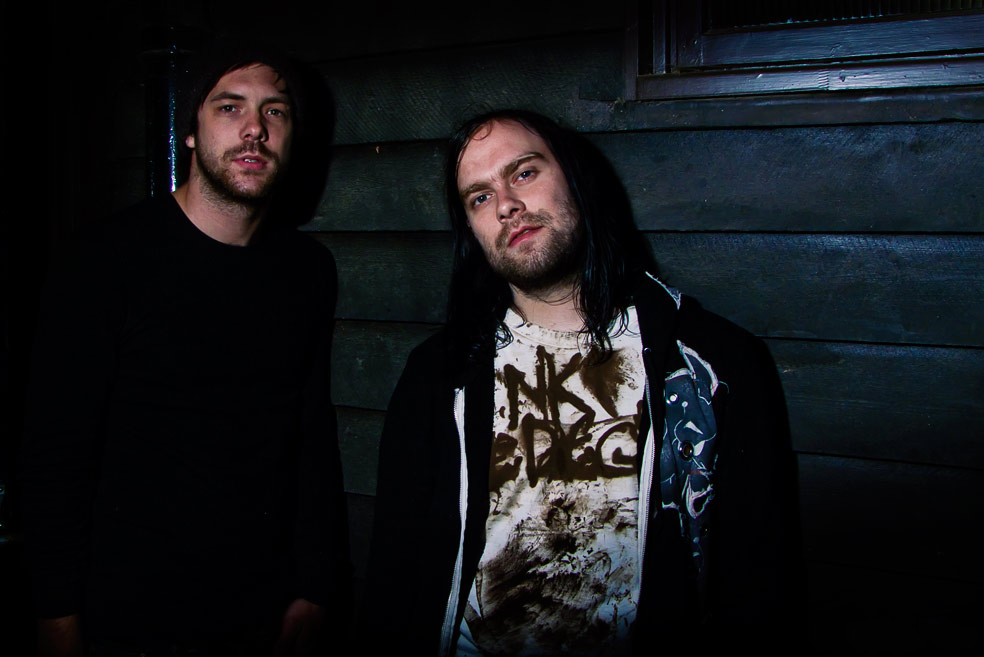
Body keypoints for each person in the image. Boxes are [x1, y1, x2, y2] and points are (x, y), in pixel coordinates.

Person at [363, 109, 802, 655]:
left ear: (576, 179)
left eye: (524, 173)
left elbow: (759, 578)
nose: (506, 205)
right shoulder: (437, 377)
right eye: (480, 197)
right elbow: (394, 569)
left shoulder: (712, 365)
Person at [20, 42, 350, 657]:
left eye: (275, 112)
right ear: (191, 132)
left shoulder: (307, 270)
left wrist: (316, 583)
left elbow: (310, 432)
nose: (254, 128)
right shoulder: (105, 260)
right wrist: (55, 614)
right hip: (126, 617)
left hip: (262, 610)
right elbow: (54, 451)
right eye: (230, 107)